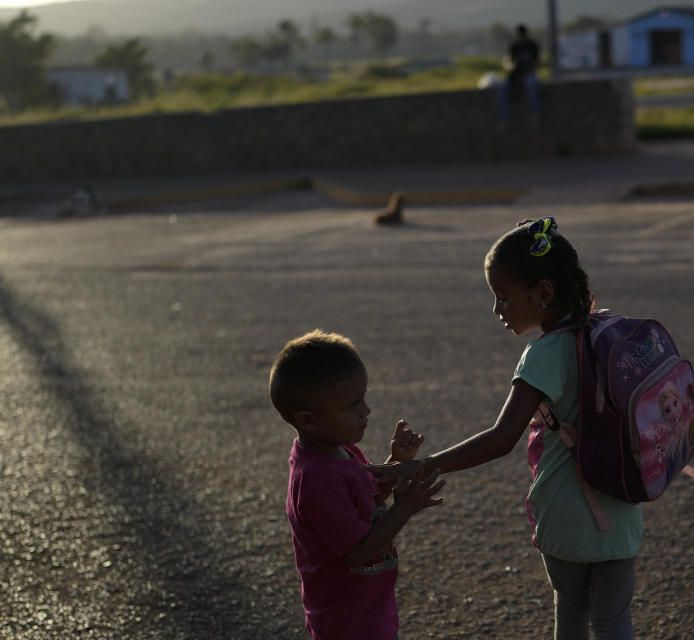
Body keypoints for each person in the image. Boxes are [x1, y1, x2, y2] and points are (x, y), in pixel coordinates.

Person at [367, 218, 642, 640]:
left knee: (571, 609)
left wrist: (425, 465)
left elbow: (502, 438)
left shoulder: (544, 354)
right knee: (612, 618)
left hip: (569, 514)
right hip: (622, 501)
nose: (497, 310)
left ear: (543, 292)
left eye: (503, 297)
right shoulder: (606, 333)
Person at [269, 329, 445, 640]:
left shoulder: (342, 450)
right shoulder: (315, 480)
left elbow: (364, 498)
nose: (366, 411)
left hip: (369, 608)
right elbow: (357, 552)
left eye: (364, 398)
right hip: (345, 622)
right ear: (309, 420)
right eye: (353, 404)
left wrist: (393, 465)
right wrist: (404, 508)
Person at [499, 23, 541, 122]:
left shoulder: (532, 45)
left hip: (529, 74)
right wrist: (513, 69)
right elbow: (508, 62)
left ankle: (536, 115)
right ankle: (504, 120)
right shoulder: (514, 45)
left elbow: (536, 62)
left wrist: (526, 72)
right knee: (503, 88)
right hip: (515, 75)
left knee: (531, 86)